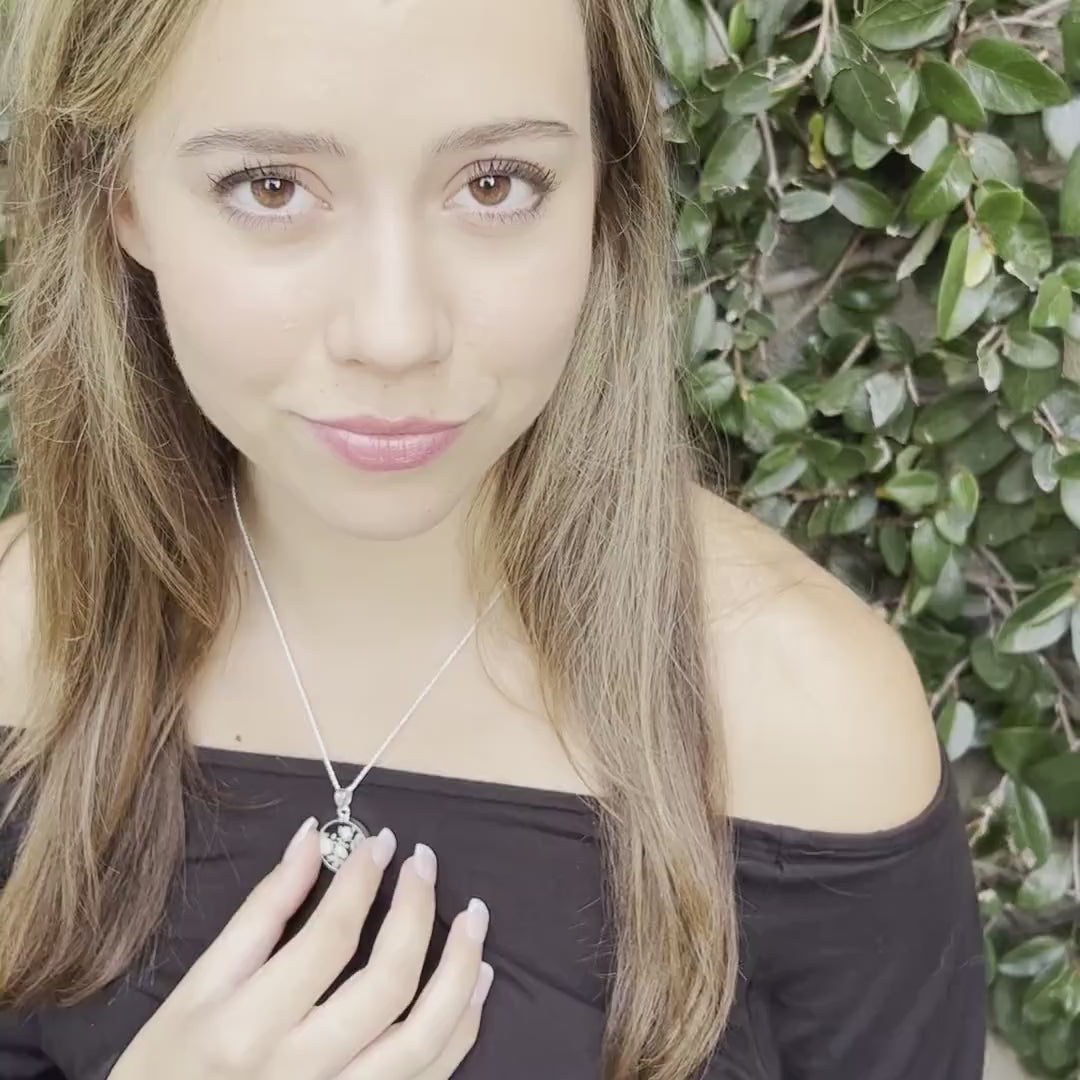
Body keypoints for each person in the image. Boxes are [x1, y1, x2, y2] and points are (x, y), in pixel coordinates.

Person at [0, 0, 986, 1077]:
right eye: (270, 186)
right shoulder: (21, 636)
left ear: (604, 189)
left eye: (494, 184)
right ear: (121, 195)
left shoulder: (803, 717)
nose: (395, 333)